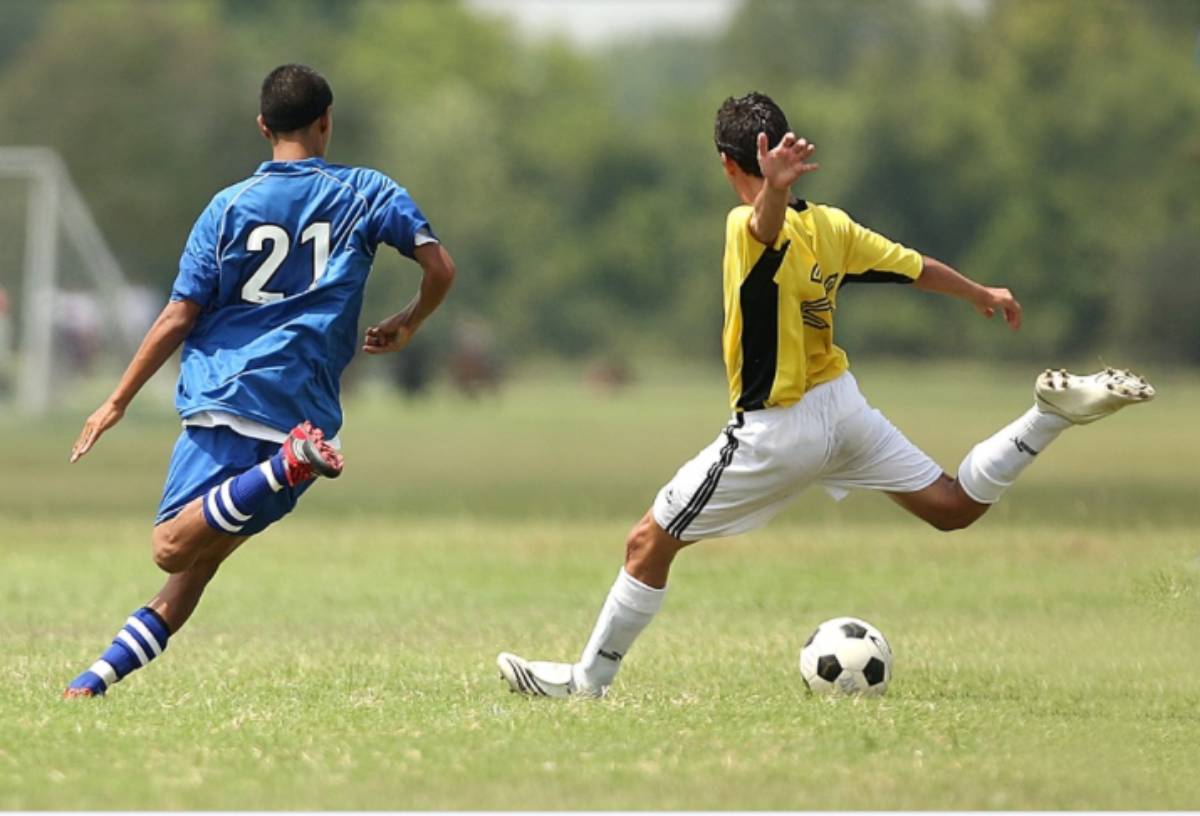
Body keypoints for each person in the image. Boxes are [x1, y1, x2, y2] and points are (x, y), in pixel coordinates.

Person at [496, 91, 1153, 698]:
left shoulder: (743, 225)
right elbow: (913, 266)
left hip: (777, 429)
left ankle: (588, 682)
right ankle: (1045, 417)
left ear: (728, 164)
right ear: (781, 149)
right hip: (842, 407)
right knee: (952, 506)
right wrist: (980, 292)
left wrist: (770, 194)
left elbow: (762, 228)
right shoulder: (832, 226)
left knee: (648, 543)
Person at [64, 64, 455, 697]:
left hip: (229, 396)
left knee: (170, 547)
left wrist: (116, 400)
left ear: (262, 126)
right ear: (327, 122)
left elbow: (179, 314)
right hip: (305, 408)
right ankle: (94, 681)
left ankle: (283, 466)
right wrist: (408, 323)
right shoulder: (367, 192)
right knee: (194, 571)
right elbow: (440, 267)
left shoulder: (227, 208)